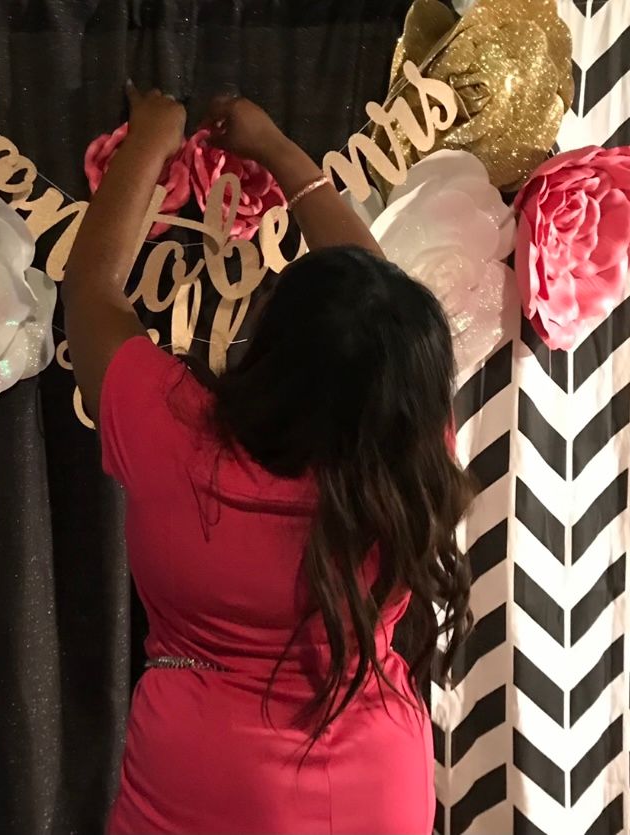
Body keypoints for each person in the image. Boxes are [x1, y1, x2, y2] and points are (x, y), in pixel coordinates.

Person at [62, 84, 475, 835]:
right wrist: (282, 153)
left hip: (205, 781)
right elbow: (372, 306)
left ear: (275, 346)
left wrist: (150, 143)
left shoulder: (174, 433)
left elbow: (90, 292)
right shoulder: (409, 441)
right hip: (379, 784)